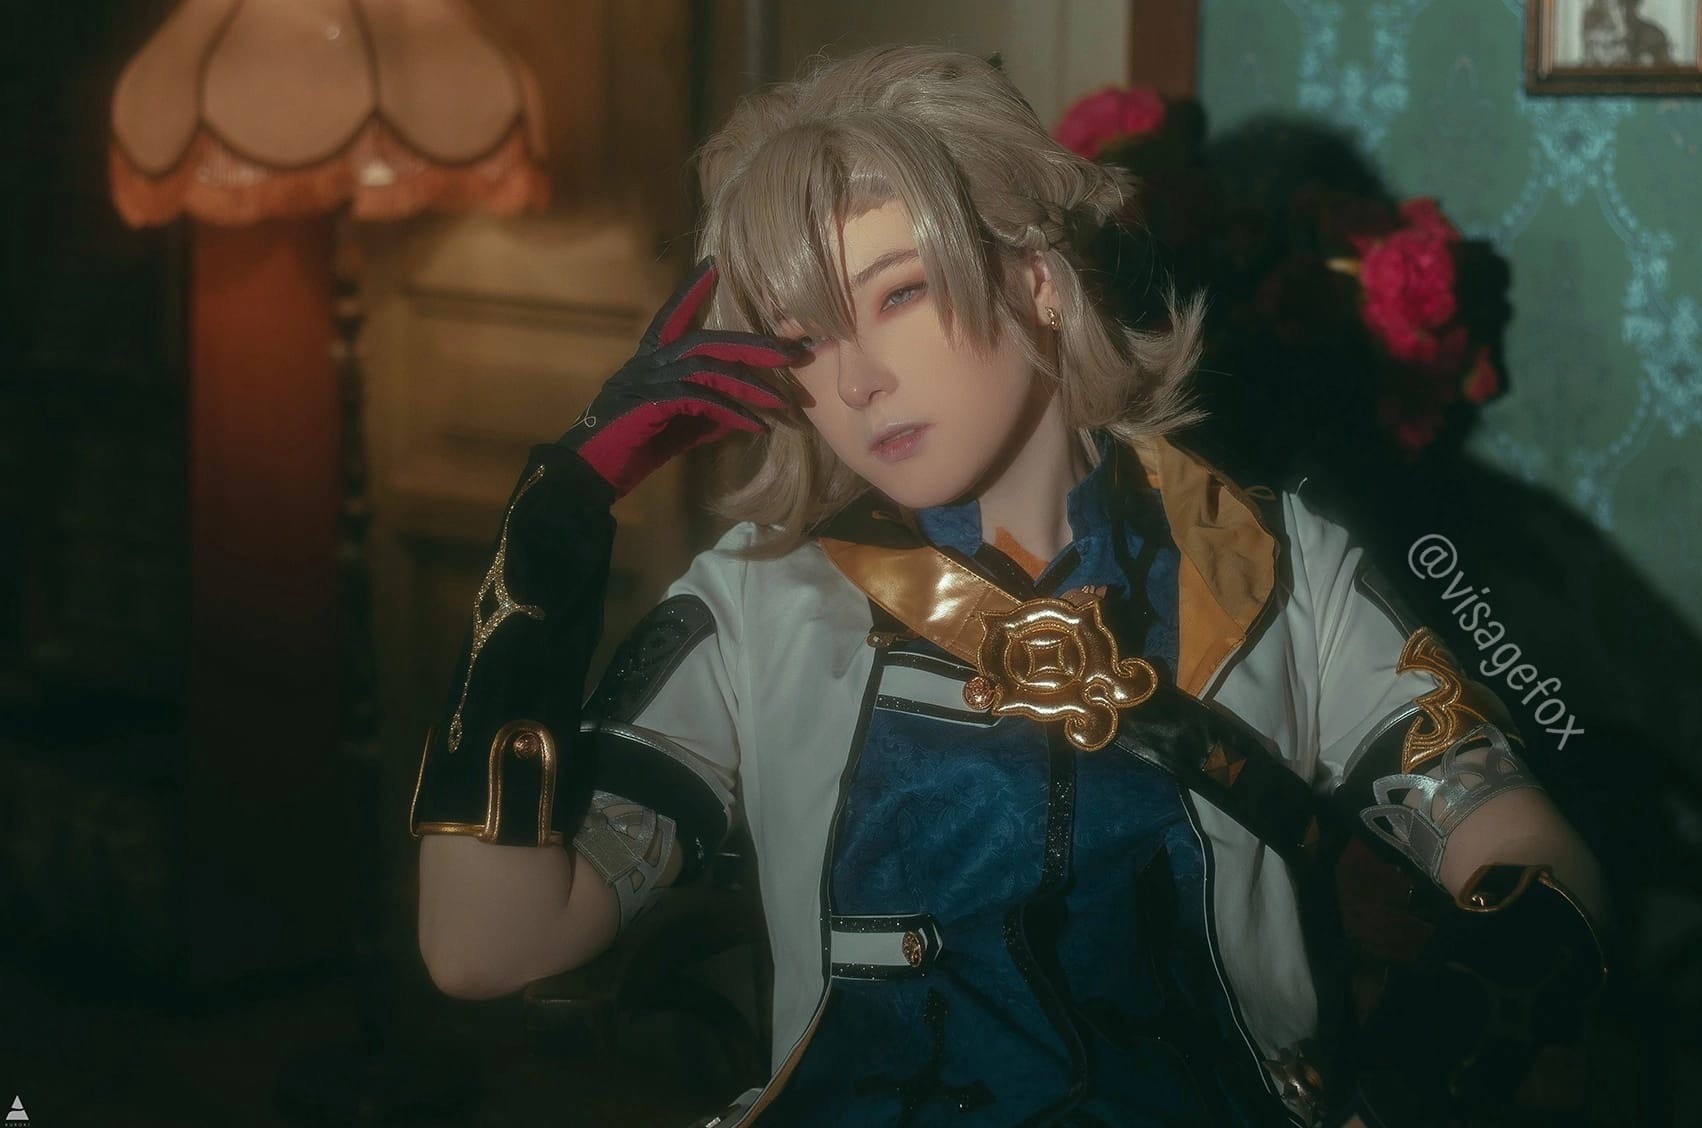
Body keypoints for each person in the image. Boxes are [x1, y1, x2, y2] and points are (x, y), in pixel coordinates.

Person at [410, 44, 1610, 1128]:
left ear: (1037, 279)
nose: (858, 380)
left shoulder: (1272, 566)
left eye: (898, 293)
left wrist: (1412, 1072)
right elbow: (481, 948)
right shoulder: (754, 607)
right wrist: (558, 514)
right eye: (802, 337)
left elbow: (1532, 853)